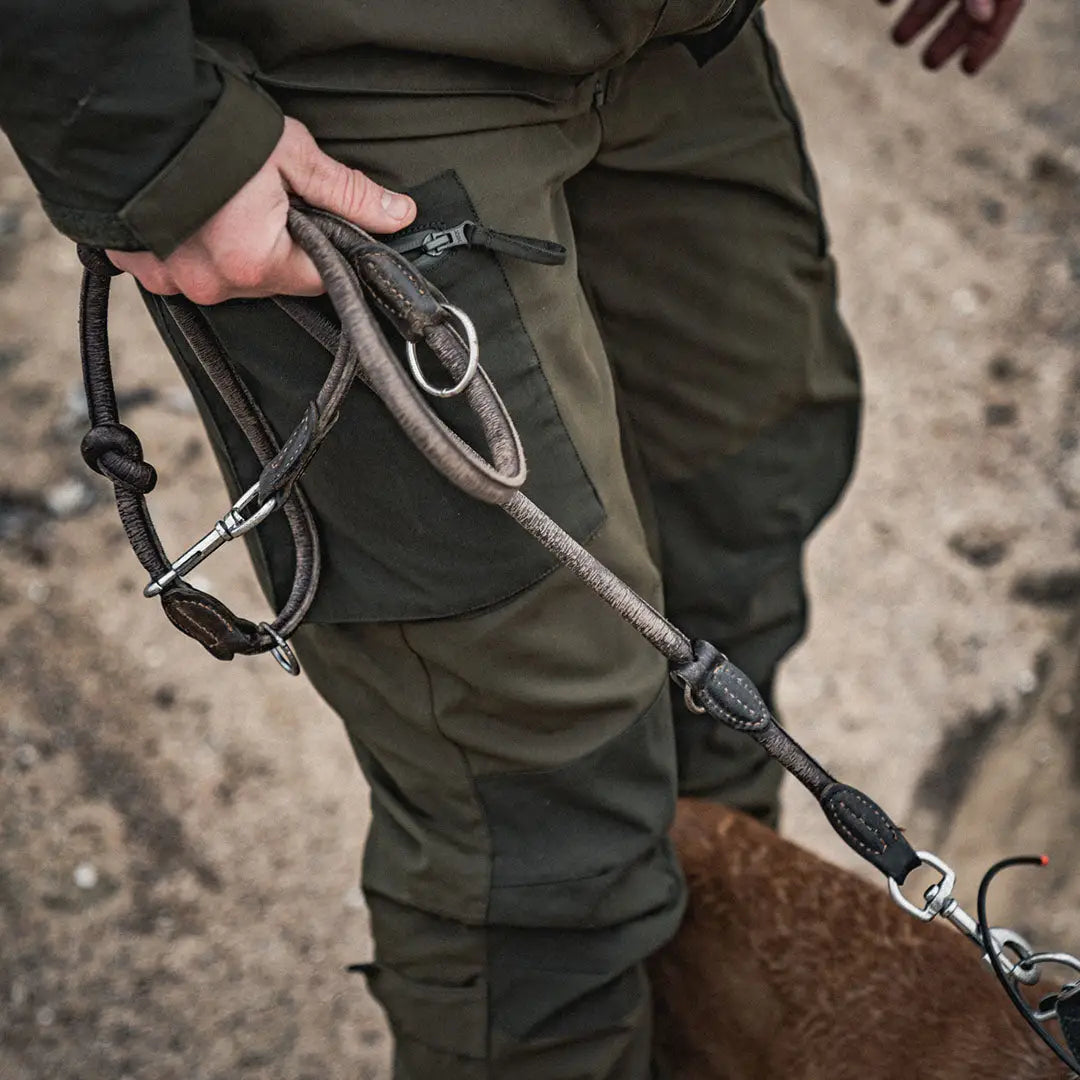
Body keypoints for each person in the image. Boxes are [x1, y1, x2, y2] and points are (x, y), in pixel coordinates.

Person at [0, 0, 1025, 1076]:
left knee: (737, 521)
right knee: (536, 792)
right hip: (353, 69)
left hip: (678, 42)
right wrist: (138, 122)